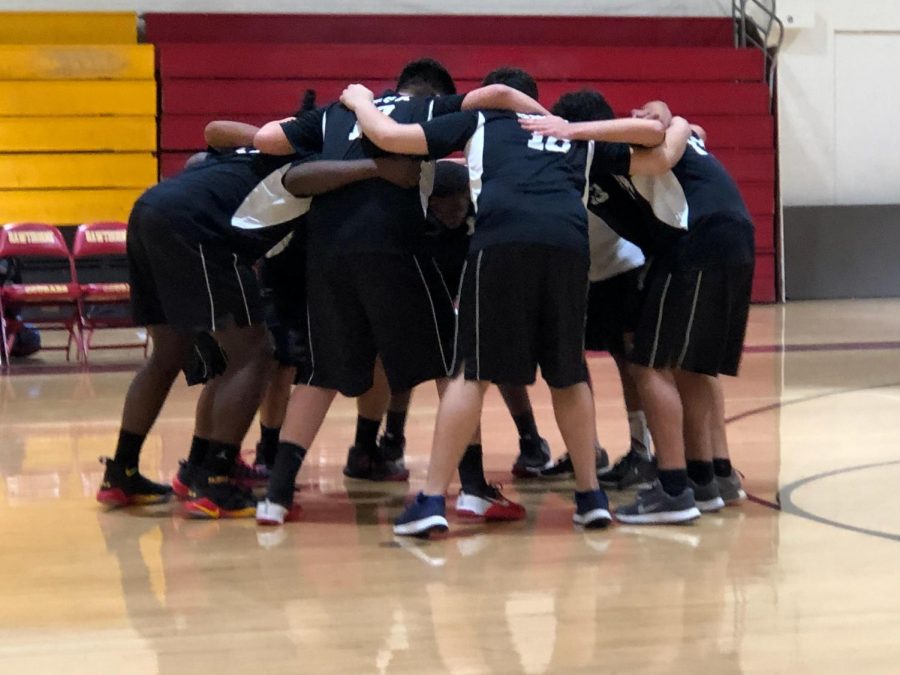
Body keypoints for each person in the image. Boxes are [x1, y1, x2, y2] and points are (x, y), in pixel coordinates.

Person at [339, 67, 668, 536]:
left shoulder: (480, 120)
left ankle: (432, 499)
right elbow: (655, 144)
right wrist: (668, 119)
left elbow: (389, 137)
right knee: (568, 372)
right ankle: (591, 496)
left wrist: (360, 102)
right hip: (567, 247)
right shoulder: (566, 131)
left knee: (471, 373)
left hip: (504, 237)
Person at [252, 59, 550, 526]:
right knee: (454, 366)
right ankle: (472, 488)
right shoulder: (430, 106)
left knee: (320, 373)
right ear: (436, 91)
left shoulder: (337, 110)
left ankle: (275, 496)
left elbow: (268, 138)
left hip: (326, 252)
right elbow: (496, 97)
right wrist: (549, 122)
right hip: (393, 244)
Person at [97, 119, 423, 518]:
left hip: (151, 208)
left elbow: (210, 136)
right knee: (255, 354)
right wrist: (375, 168)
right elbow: (300, 176)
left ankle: (123, 471)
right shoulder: (312, 155)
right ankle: (216, 483)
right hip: (199, 228)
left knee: (170, 354)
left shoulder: (258, 148)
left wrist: (264, 141)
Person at [530, 91, 751, 524]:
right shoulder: (659, 135)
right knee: (692, 366)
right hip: (731, 236)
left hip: (695, 242)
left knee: (650, 365)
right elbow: (666, 125)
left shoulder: (619, 142)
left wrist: (571, 131)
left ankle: (672, 488)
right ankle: (708, 478)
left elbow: (655, 129)